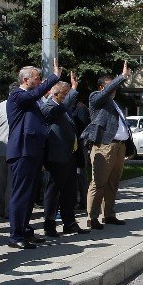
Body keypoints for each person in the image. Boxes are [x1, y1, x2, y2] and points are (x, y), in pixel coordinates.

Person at [6, 60, 61, 249]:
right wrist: (54, 77)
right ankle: (15, 235)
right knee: (21, 194)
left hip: (33, 151)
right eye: (37, 79)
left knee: (30, 195)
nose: (39, 82)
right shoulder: (17, 95)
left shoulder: (30, 98)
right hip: (22, 150)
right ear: (26, 79)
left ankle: (25, 230)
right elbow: (36, 94)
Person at [82, 61, 132, 229]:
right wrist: (122, 76)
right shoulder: (96, 98)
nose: (115, 88)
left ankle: (109, 215)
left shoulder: (115, 103)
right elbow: (103, 96)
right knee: (99, 182)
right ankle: (92, 217)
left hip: (119, 146)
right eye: (111, 86)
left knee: (113, 183)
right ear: (102, 88)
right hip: (104, 146)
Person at [39, 78, 87, 236]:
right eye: (65, 94)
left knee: (69, 192)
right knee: (53, 193)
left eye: (68, 94)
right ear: (56, 94)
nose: (68, 97)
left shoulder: (63, 108)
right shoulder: (49, 107)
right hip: (56, 158)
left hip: (69, 156)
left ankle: (69, 223)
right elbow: (53, 114)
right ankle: (49, 225)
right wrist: (73, 90)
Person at [0, 83, 18, 218]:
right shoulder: (20, 105)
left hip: (0, 146)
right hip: (13, 147)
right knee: (11, 181)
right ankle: (9, 210)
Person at [72, 99, 90, 210]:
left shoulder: (81, 108)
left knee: (80, 173)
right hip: (70, 145)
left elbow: (84, 128)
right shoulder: (67, 107)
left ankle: (84, 201)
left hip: (79, 145)